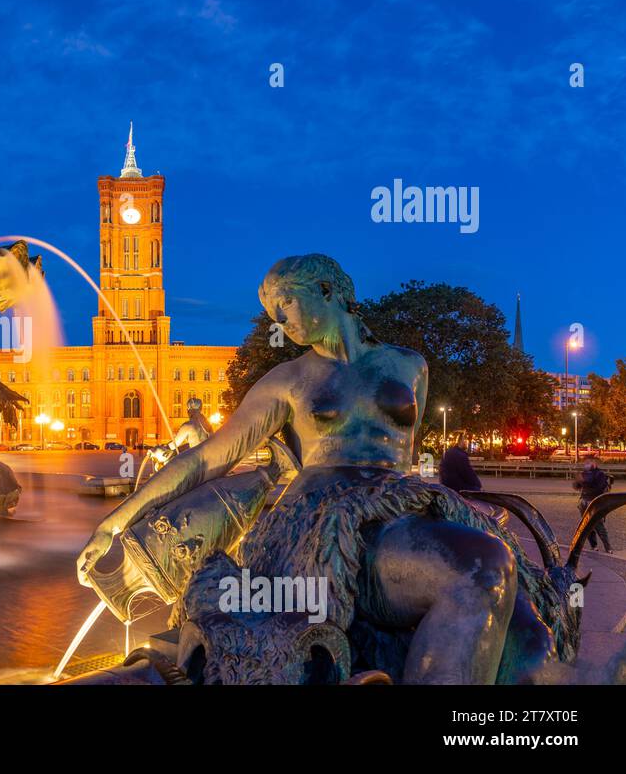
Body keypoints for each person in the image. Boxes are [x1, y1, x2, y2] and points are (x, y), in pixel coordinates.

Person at [76, 254, 568, 683]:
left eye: (284, 303)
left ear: (326, 291)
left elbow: (405, 452)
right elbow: (208, 457)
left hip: (400, 509)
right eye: (272, 312)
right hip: (323, 526)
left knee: (528, 634)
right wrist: (114, 522)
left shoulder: (409, 365)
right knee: (480, 567)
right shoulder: (287, 381)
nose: (279, 320)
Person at [574, 457, 614, 554]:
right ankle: (593, 545)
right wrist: (578, 482)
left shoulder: (600, 474)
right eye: (585, 463)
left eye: (588, 462)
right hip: (584, 501)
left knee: (599, 525)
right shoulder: (584, 474)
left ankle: (608, 547)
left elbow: (599, 488)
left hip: (594, 502)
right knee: (587, 525)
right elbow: (577, 487)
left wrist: (584, 482)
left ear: (594, 463)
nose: (586, 465)